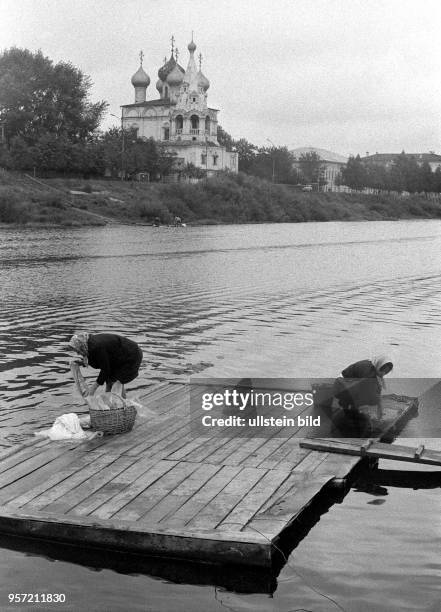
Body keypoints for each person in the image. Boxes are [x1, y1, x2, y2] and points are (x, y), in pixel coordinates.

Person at [68, 332, 143, 399]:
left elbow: (105, 369)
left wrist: (93, 388)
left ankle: (122, 407)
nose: (78, 353)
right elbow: (98, 361)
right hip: (118, 358)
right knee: (110, 382)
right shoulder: (89, 344)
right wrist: (82, 363)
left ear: (80, 345)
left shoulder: (96, 346)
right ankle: (113, 407)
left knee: (117, 382)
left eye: (77, 350)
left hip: (131, 355)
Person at [333, 356, 393, 420]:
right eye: (382, 371)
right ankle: (347, 405)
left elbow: (377, 388)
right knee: (369, 396)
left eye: (386, 372)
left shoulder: (373, 367)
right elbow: (368, 391)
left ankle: (348, 406)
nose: (383, 374)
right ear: (379, 365)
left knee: (370, 395)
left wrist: (379, 407)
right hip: (340, 386)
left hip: (347, 384)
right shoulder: (368, 371)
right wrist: (377, 407)